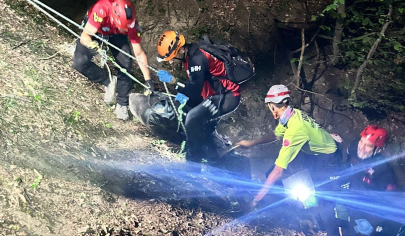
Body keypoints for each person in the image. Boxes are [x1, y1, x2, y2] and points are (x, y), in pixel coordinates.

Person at [237, 84, 342, 236]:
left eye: (269, 106)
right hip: (311, 152)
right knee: (270, 175)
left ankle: (327, 230)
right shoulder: (291, 115)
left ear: (273, 106)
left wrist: (255, 200)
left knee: (325, 202)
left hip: (328, 159)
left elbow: (278, 170)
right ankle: (288, 213)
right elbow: (275, 134)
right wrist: (251, 143)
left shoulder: (294, 129)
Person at [155, 30, 241, 163]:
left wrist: (176, 87)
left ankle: (193, 161)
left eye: (171, 57)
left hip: (227, 96)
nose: (170, 62)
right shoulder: (190, 56)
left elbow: (194, 90)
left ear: (180, 50)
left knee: (193, 119)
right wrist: (176, 85)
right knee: (202, 125)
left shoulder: (197, 58)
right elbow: (195, 87)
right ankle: (214, 159)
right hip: (214, 95)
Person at [73, 0, 154, 121]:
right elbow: (85, 36)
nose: (127, 30)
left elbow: (139, 54)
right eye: (124, 28)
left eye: (128, 27)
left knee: (126, 64)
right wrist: (91, 44)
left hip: (115, 34)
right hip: (98, 29)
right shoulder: (101, 10)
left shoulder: (130, 24)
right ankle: (107, 80)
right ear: (114, 19)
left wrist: (148, 81)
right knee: (80, 63)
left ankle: (122, 103)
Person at [339, 125, 403, 236]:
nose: (362, 147)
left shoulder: (382, 169)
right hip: (353, 196)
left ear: (377, 150)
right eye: (361, 142)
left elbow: (388, 199)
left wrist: (375, 222)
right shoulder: (354, 147)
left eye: (368, 145)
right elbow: (347, 166)